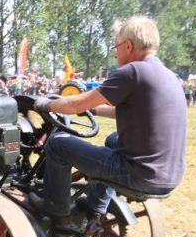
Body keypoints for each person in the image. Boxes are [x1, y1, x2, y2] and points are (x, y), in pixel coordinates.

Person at [28, 15, 187, 222]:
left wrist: (45, 104)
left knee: (57, 144)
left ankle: (55, 206)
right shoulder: (168, 75)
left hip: (140, 174)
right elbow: (127, 112)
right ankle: (95, 206)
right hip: (170, 176)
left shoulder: (133, 71)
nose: (115, 53)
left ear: (128, 46)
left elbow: (75, 103)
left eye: (116, 47)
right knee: (113, 140)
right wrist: (93, 111)